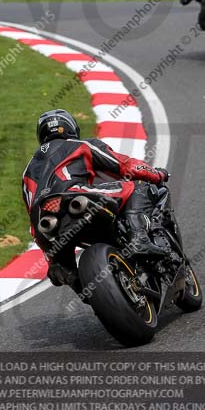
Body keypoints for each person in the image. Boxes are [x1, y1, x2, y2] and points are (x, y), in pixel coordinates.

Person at [22, 109, 173, 292]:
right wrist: (157, 174)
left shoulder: (27, 171)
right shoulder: (80, 145)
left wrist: (53, 260)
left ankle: (72, 277)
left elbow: (33, 218)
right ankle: (139, 238)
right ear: (71, 128)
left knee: (67, 272)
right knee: (138, 186)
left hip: (45, 221)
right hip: (75, 195)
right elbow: (124, 165)